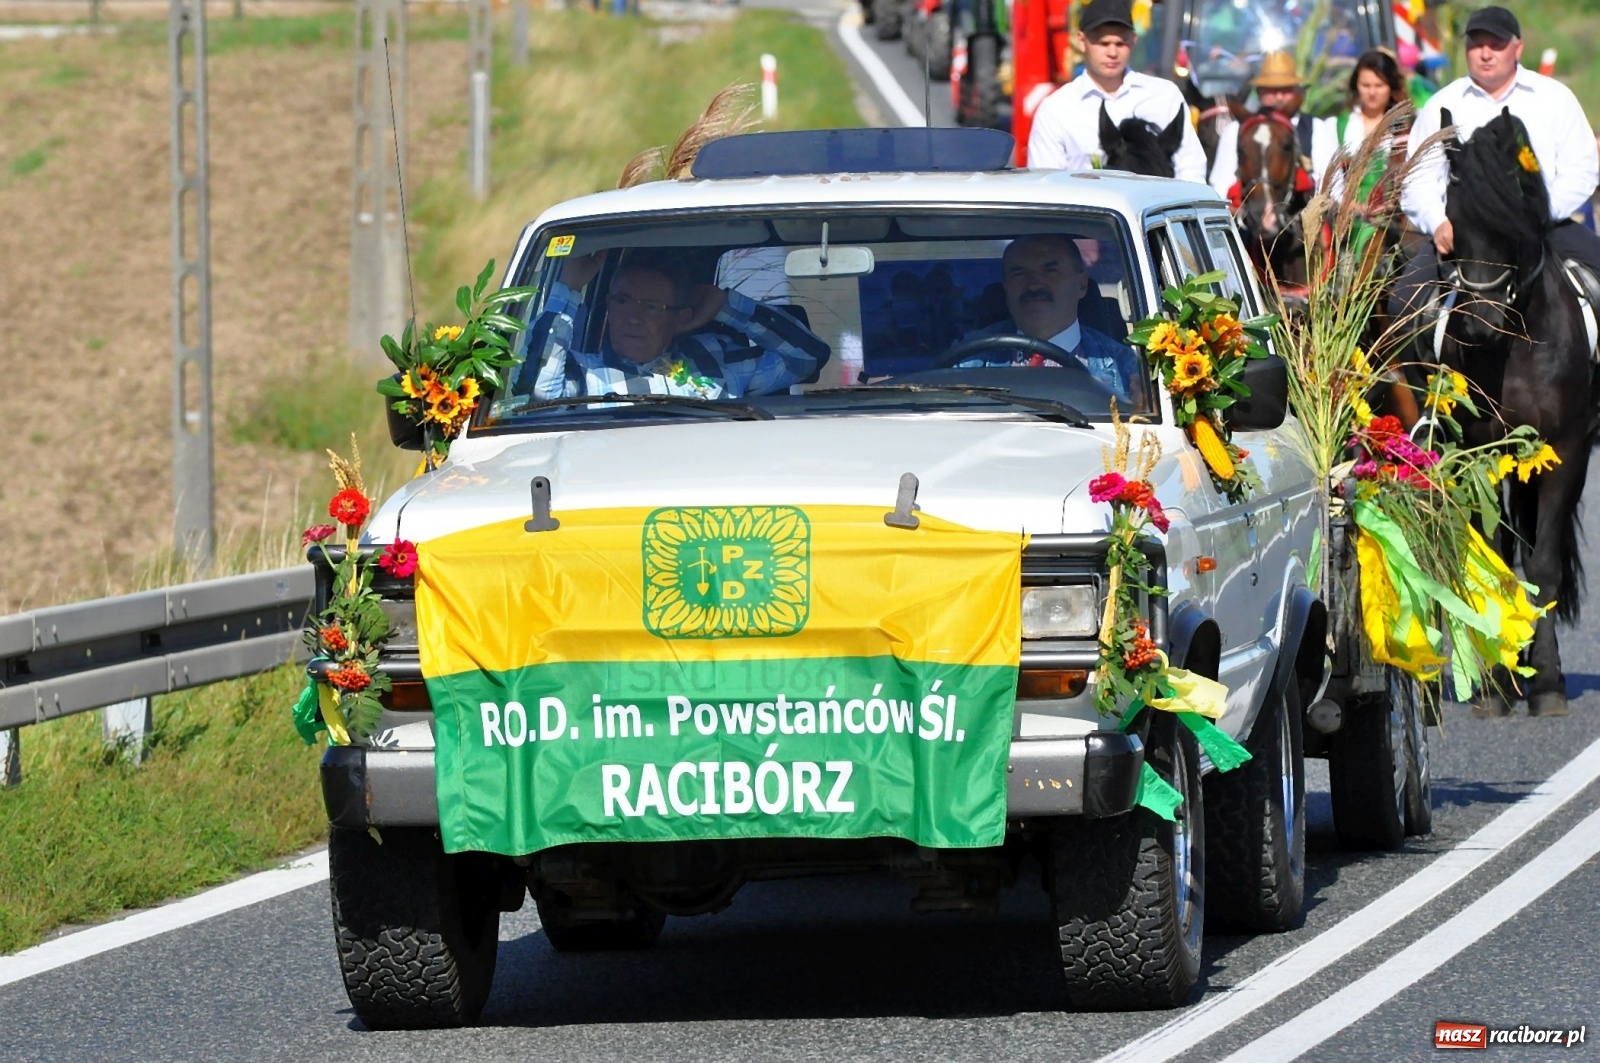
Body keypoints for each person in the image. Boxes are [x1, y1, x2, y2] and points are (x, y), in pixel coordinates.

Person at [1391, 6, 1600, 322]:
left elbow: (1582, 167)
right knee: (1402, 302)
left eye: (1496, 44)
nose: (1485, 54)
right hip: (1463, 237)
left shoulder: (1555, 97)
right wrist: (1437, 222)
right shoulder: (1440, 105)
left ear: (1518, 48)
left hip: (1545, 228)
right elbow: (1417, 180)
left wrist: (1539, 214)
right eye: (1477, 44)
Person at [527, 251, 828, 400]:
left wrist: (725, 305)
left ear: (681, 318)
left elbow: (806, 358)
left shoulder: (716, 357)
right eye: (622, 301)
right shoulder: (584, 375)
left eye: (652, 307)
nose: (633, 316)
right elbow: (539, 388)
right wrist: (567, 288)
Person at [1026, 0, 1208, 182]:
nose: (1112, 52)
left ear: (1133, 40)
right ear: (1082, 41)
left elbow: (1191, 168)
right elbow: (1045, 184)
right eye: (1103, 43)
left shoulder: (1165, 96)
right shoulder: (1056, 109)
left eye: (1120, 43)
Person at [953, 234, 1146, 405]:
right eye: (1019, 273)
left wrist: (1137, 406)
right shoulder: (968, 363)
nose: (1034, 284)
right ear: (1006, 288)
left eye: (1050, 270)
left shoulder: (1126, 368)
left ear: (1081, 285)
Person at [1209, 50, 1336, 198]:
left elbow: (1333, 189)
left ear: (1297, 92)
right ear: (1259, 92)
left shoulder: (1316, 128)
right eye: (1272, 90)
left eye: (1286, 90)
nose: (1279, 97)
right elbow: (1221, 185)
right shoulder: (1235, 131)